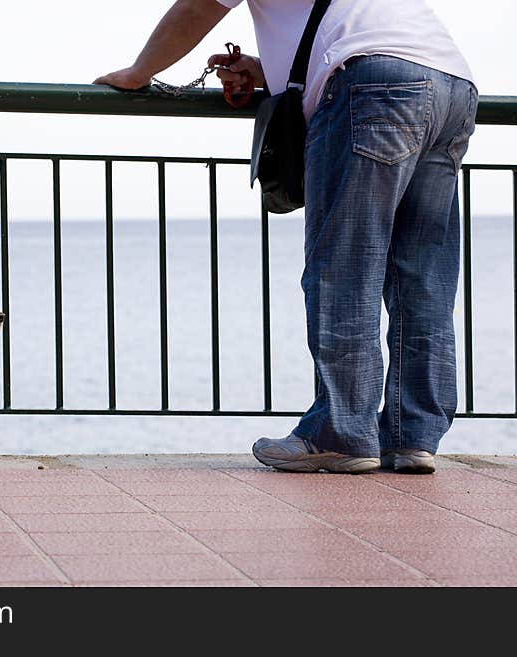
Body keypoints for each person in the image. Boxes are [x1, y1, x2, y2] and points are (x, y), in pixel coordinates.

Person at [95, 0, 477, 475]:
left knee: (344, 272)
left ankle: (342, 434)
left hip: (370, 82)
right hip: (450, 84)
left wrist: (137, 73)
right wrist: (263, 69)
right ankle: (412, 435)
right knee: (421, 278)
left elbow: (197, 7)